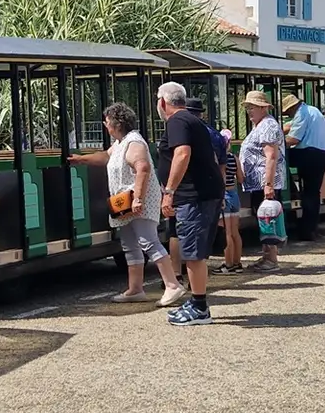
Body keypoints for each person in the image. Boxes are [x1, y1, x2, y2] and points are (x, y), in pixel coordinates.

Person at [73, 102, 180, 302]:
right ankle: (135, 289)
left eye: (106, 122)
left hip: (137, 200)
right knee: (130, 243)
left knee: (148, 241)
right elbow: (106, 156)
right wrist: (81, 159)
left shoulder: (134, 142)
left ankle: (172, 285)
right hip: (124, 201)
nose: (105, 125)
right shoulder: (121, 143)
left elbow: (143, 168)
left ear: (116, 123)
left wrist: (138, 198)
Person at [157, 81, 225, 326]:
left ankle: (199, 306)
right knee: (193, 250)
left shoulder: (177, 121)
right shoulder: (192, 121)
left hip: (193, 196)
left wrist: (170, 191)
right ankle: (197, 301)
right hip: (203, 193)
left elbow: (182, 153)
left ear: (163, 102)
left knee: (193, 253)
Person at [236, 90, 284, 271]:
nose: (249, 111)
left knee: (267, 219)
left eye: (252, 107)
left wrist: (268, 185)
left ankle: (271, 259)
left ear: (263, 108)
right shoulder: (261, 125)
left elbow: (271, 156)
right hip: (258, 183)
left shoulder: (268, 126)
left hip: (265, 182)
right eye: (248, 107)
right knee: (263, 218)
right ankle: (267, 256)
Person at [282, 93, 325, 242]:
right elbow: (290, 126)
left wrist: (274, 140)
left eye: (287, 111)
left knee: (309, 194)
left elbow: (293, 139)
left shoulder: (301, 113)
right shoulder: (312, 110)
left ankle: (306, 230)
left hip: (310, 154)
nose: (288, 114)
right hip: (322, 154)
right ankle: (310, 228)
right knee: (313, 192)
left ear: (291, 108)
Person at [215, 128, 246, 274]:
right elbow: (241, 178)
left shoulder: (220, 160)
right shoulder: (235, 158)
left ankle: (228, 264)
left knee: (226, 233)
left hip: (225, 195)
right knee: (235, 232)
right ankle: (237, 262)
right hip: (234, 194)